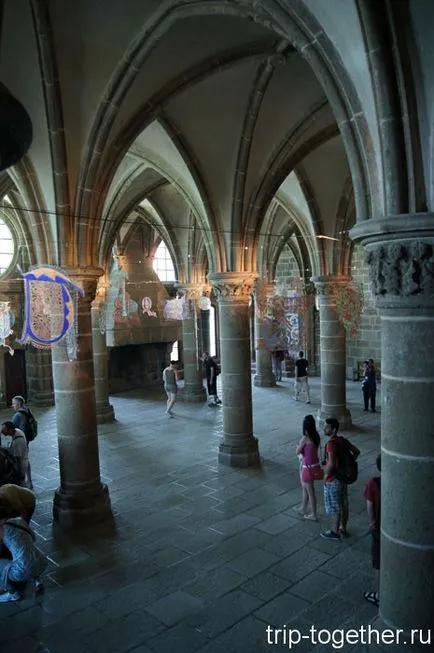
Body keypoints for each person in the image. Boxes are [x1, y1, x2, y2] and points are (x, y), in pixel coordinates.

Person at [0, 513, 47, 602]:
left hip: (21, 571)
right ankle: (37, 582)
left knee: (3, 564)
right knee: (28, 555)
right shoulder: (19, 520)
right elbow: (33, 538)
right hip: (42, 563)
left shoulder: (1, 529)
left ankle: (12, 593)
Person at [294, 415, 323, 521]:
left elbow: (297, 452)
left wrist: (298, 446)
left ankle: (313, 514)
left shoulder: (305, 438)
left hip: (307, 468)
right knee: (306, 488)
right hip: (315, 466)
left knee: (310, 491)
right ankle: (303, 508)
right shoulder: (316, 437)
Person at [320, 417, 343, 541]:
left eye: (327, 426)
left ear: (333, 430)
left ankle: (334, 532)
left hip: (333, 479)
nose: (324, 428)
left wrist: (325, 475)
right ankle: (340, 527)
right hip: (341, 477)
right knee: (339, 503)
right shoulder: (341, 440)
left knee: (333, 505)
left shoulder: (330, 444)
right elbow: (356, 451)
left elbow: (331, 463)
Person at [363, 453, 381, 607]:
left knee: (378, 561)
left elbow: (369, 506)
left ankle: (379, 595)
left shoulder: (373, 484)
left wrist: (372, 522)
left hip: (379, 527)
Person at [11, 396, 34, 488]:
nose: (12, 405)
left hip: (21, 440)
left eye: (13, 403)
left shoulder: (18, 415)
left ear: (18, 404)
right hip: (26, 439)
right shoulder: (27, 411)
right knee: (26, 459)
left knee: (20, 460)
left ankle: (23, 481)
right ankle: (29, 479)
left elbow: (14, 427)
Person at [0, 422, 28, 487]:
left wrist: (20, 474)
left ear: (10, 429)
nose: (2, 431)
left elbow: (18, 460)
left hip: (20, 467)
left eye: (4, 429)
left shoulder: (17, 441)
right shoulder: (17, 431)